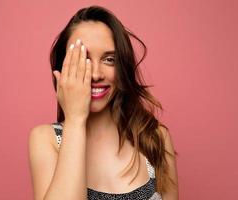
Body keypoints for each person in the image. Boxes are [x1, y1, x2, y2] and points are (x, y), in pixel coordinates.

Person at [28, 5, 178, 200]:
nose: (97, 75)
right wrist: (75, 120)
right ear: (62, 68)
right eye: (83, 59)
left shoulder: (155, 137)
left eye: (109, 59)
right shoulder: (45, 139)